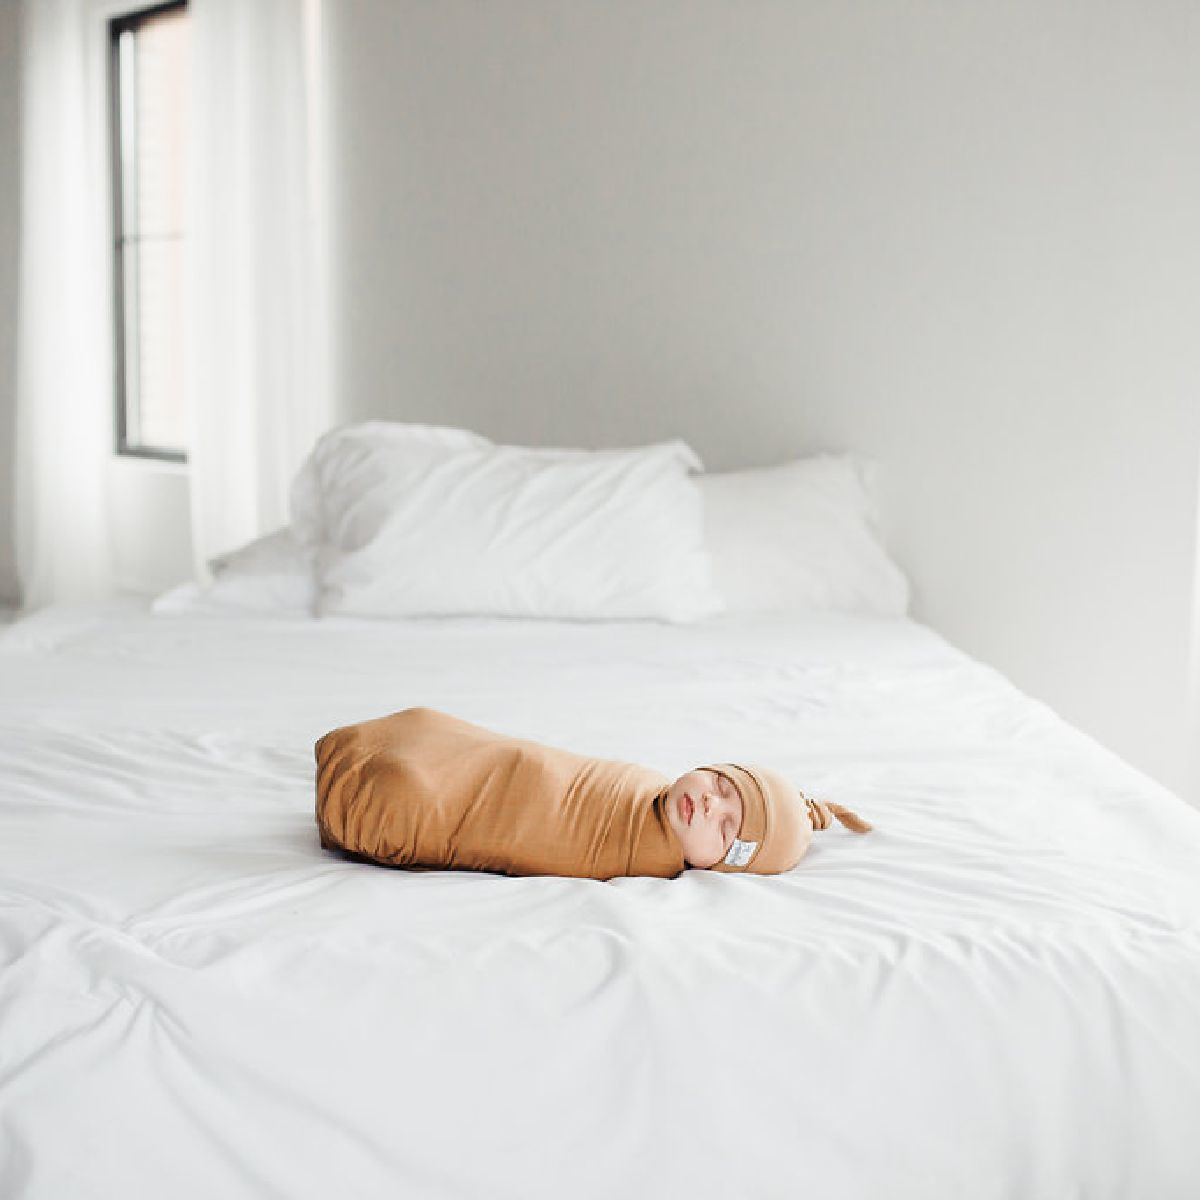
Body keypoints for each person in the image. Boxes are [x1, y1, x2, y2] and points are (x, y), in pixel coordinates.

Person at [316, 707, 871, 881]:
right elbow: (541, 772)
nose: (709, 804)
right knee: (467, 745)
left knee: (410, 797)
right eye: (721, 786)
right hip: (499, 764)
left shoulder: (645, 860)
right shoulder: (648, 786)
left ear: (724, 864)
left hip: (436, 803)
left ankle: (383, 782)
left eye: (726, 828)